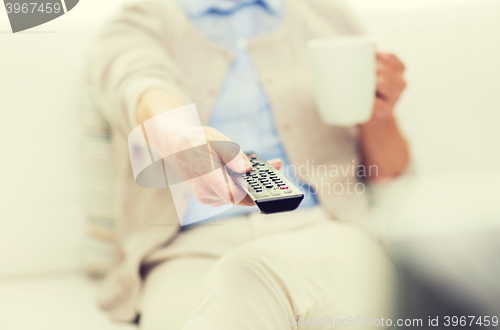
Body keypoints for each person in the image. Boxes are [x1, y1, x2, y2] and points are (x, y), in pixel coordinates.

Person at [88, 0, 409, 328]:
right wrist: (179, 135)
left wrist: (379, 112)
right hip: (192, 248)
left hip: (323, 229)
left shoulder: (327, 16)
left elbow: (389, 173)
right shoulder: (140, 20)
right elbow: (139, 82)